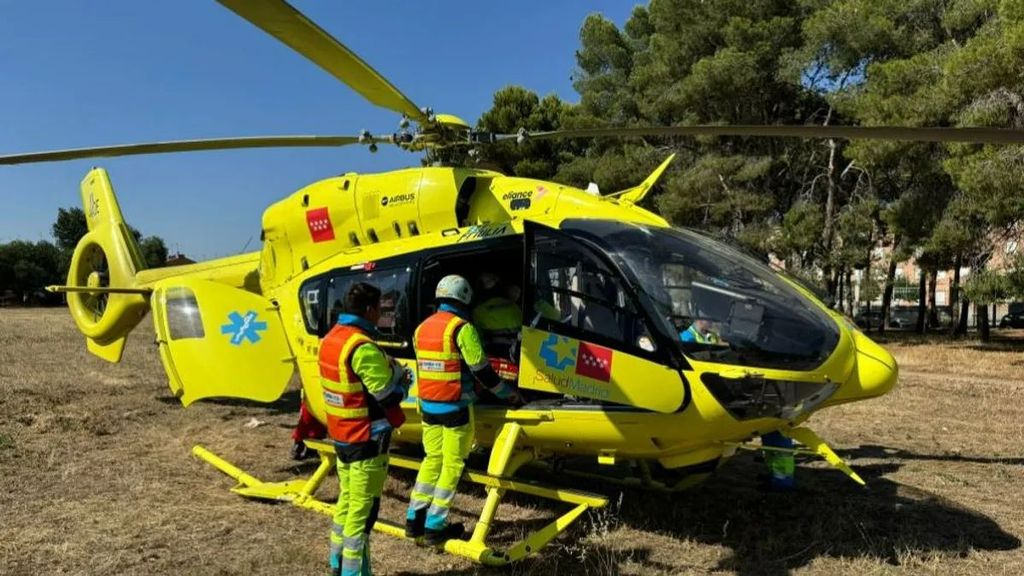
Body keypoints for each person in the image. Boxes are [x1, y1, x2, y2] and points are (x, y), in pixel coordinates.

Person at [405, 274, 520, 545]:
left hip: (428, 407)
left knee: (432, 459)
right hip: (455, 407)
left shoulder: (421, 329)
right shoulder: (462, 328)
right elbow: (483, 372)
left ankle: (415, 519)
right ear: (465, 298)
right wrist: (509, 395)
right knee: (452, 463)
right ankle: (435, 525)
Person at [321, 282, 411, 576]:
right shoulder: (361, 347)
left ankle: (337, 565)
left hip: (343, 436)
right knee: (363, 515)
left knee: (346, 504)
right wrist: (402, 382)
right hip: (367, 439)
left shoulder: (331, 340)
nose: (383, 316)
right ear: (370, 310)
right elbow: (387, 396)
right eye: (382, 310)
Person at [291, 390, 327, 460]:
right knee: (306, 418)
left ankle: (312, 449)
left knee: (320, 420)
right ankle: (298, 446)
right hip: (311, 392)